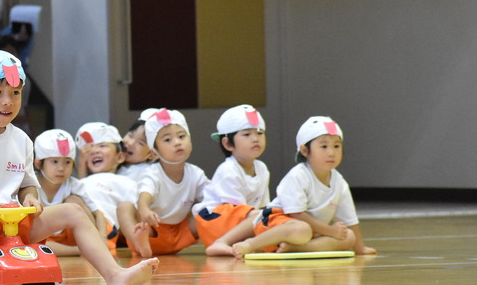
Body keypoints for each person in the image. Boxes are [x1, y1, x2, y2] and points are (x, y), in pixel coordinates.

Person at [0, 51, 159, 285]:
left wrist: (31, 199)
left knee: (73, 211)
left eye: (15, 93)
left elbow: (27, 184)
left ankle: (115, 276)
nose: (8, 101)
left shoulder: (21, 139)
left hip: (11, 220)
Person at [232, 116, 376, 257]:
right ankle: (251, 244)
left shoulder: (339, 182)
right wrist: (329, 230)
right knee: (302, 229)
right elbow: (297, 214)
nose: (331, 153)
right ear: (305, 151)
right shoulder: (298, 176)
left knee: (348, 236)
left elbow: (350, 221)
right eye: (324, 146)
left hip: (308, 234)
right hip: (274, 225)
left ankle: (297, 248)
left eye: (336, 146)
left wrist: (360, 248)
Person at [196, 105, 306, 257]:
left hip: (246, 220)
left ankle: (260, 244)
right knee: (259, 216)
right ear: (228, 143)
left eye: (260, 133)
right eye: (247, 134)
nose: (255, 138)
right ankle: (221, 243)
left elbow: (263, 206)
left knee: (293, 225)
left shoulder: (261, 168)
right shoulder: (229, 170)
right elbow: (237, 212)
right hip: (216, 222)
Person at [132, 109, 210, 257]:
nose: (177, 142)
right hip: (153, 231)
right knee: (125, 208)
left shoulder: (196, 173)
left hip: (182, 232)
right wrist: (145, 210)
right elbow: (145, 194)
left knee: (205, 212)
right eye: (168, 140)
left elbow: (212, 196)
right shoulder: (153, 173)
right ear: (154, 153)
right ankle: (139, 243)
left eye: (181, 136)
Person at [33, 128, 114, 256]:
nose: (61, 168)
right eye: (54, 161)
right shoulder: (31, 185)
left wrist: (102, 238)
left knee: (74, 201)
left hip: (73, 236)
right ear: (38, 163)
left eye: (67, 162)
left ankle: (91, 244)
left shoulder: (73, 184)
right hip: (43, 239)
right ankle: (79, 251)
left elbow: (97, 213)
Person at [75, 122, 151, 257]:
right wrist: (81, 163)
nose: (95, 151)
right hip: (71, 227)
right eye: (90, 149)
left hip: (103, 227)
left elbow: (133, 213)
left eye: (102, 146)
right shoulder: (78, 183)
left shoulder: (125, 182)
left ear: (120, 157)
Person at [119, 110, 159, 184]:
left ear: (152, 154)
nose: (131, 143)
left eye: (140, 143)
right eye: (130, 135)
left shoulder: (147, 173)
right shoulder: (113, 163)